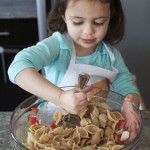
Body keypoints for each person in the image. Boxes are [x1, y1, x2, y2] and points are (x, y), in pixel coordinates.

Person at [8, 0, 140, 142]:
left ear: (111, 17)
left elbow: (128, 89)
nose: (88, 31)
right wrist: (60, 98)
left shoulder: (111, 57)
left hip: (95, 134)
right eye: (77, 22)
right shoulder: (58, 45)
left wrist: (129, 103)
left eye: (99, 22)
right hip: (49, 128)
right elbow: (17, 67)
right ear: (63, 15)